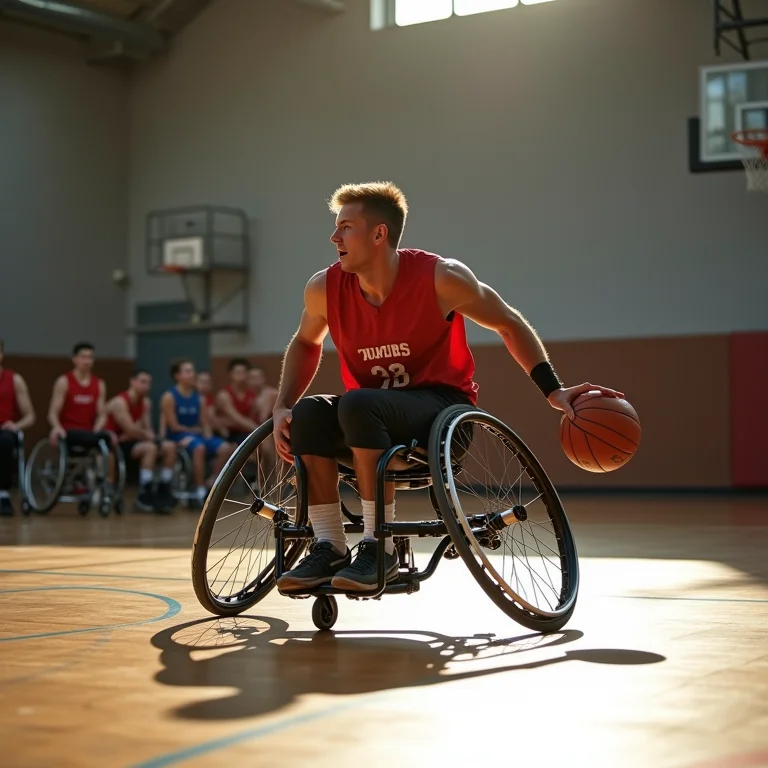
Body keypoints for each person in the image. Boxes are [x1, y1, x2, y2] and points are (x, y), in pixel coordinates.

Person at [273, 181, 623, 593]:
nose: (335, 237)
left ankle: (376, 546)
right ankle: (329, 545)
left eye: (346, 227)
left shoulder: (441, 278)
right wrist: (283, 405)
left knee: (359, 404)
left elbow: (507, 322)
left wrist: (554, 391)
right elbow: (305, 341)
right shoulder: (324, 288)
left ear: (379, 234)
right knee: (312, 411)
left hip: (438, 413)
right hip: (367, 416)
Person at [161, 358, 234, 506]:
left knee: (226, 448)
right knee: (199, 448)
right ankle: (199, 490)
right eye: (187, 371)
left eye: (192, 371)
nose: (192, 374)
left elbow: (205, 424)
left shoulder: (199, 398)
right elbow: (174, 427)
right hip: (178, 436)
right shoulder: (169, 397)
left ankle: (211, 482)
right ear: (177, 375)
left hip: (196, 435)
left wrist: (207, 434)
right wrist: (196, 431)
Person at [104, 369, 177, 513]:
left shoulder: (145, 402)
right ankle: (144, 493)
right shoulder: (120, 402)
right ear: (132, 382)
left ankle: (164, 487)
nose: (147, 386)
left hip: (133, 441)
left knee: (170, 446)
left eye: (149, 383)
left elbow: (146, 429)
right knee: (150, 448)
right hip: (115, 444)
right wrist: (142, 433)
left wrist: (144, 433)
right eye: (143, 382)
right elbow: (131, 429)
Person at [48, 342, 115, 450]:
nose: (87, 361)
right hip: (69, 431)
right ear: (74, 359)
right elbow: (53, 413)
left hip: (89, 431)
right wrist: (57, 427)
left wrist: (96, 430)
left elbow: (102, 414)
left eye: (90, 357)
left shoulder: (99, 384)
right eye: (83, 357)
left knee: (109, 439)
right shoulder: (64, 382)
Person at [0, 339, 36, 516]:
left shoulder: (14, 380)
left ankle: (3, 494)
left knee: (6, 441)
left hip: (4, 430)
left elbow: (30, 416)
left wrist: (16, 425)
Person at [216, 358, 259, 444]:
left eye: (243, 372)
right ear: (231, 374)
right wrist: (258, 430)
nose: (241, 375)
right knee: (263, 440)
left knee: (266, 442)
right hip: (229, 434)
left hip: (246, 431)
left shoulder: (251, 394)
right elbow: (236, 418)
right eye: (238, 372)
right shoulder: (224, 395)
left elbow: (254, 416)